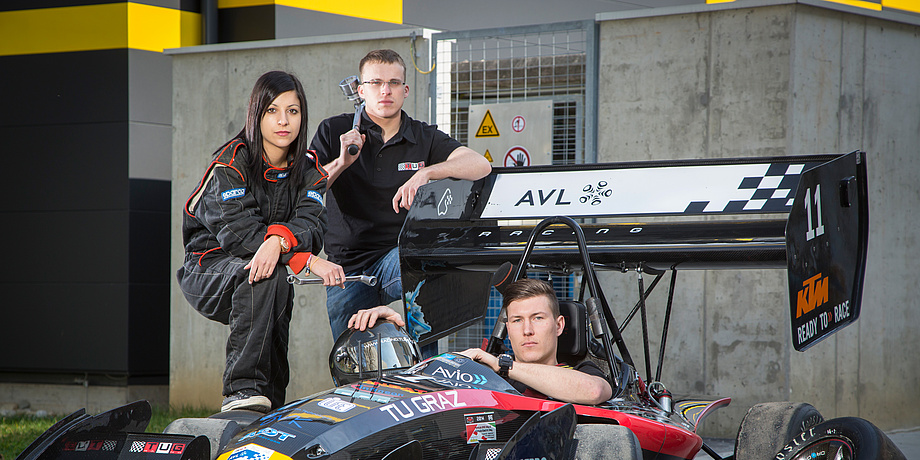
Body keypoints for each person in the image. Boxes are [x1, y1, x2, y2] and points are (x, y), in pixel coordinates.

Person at [176, 71, 345, 413]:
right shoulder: (229, 163)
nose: (283, 121)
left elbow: (312, 225)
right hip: (208, 268)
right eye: (272, 110)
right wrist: (304, 259)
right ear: (256, 113)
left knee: (278, 282)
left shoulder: (310, 169)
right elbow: (237, 234)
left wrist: (278, 244)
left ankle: (271, 402)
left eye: (293, 111)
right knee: (264, 274)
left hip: (268, 267)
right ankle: (241, 392)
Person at [310, 49, 492, 343]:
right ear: (361, 90)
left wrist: (427, 173)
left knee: (421, 270)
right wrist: (342, 161)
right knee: (354, 360)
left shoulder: (423, 136)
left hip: (399, 254)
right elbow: (308, 189)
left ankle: (423, 371)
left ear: (405, 90)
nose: (386, 90)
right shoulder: (335, 131)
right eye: (376, 83)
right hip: (348, 266)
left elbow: (480, 165)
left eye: (394, 83)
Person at [347, 279, 613, 405]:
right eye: (518, 320)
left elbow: (593, 393)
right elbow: (415, 392)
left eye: (538, 318)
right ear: (508, 328)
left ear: (559, 326)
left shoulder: (581, 371)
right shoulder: (481, 373)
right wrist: (392, 333)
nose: (528, 330)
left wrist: (502, 365)